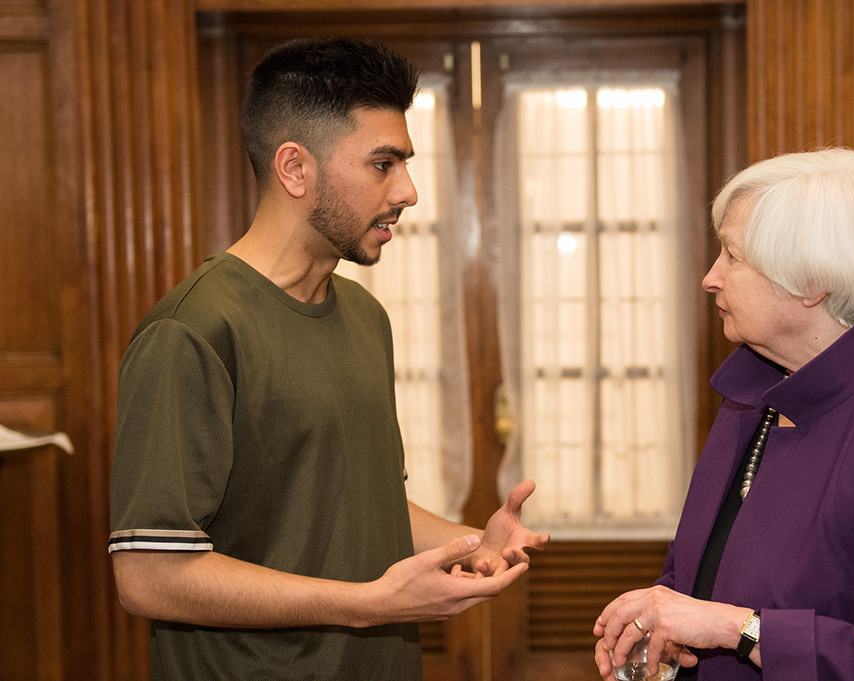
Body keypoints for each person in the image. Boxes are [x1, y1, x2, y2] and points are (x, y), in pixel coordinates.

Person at [108, 37, 549, 681]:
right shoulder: (192, 330)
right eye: (382, 164)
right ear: (295, 168)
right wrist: (368, 606)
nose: (409, 191)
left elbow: (360, 503)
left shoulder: (366, 318)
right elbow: (148, 575)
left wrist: (469, 543)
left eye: (406, 163)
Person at [593, 148, 854, 680]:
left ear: (812, 283)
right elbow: (699, 572)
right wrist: (660, 626)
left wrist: (735, 629)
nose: (711, 278)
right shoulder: (757, 385)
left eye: (733, 257)